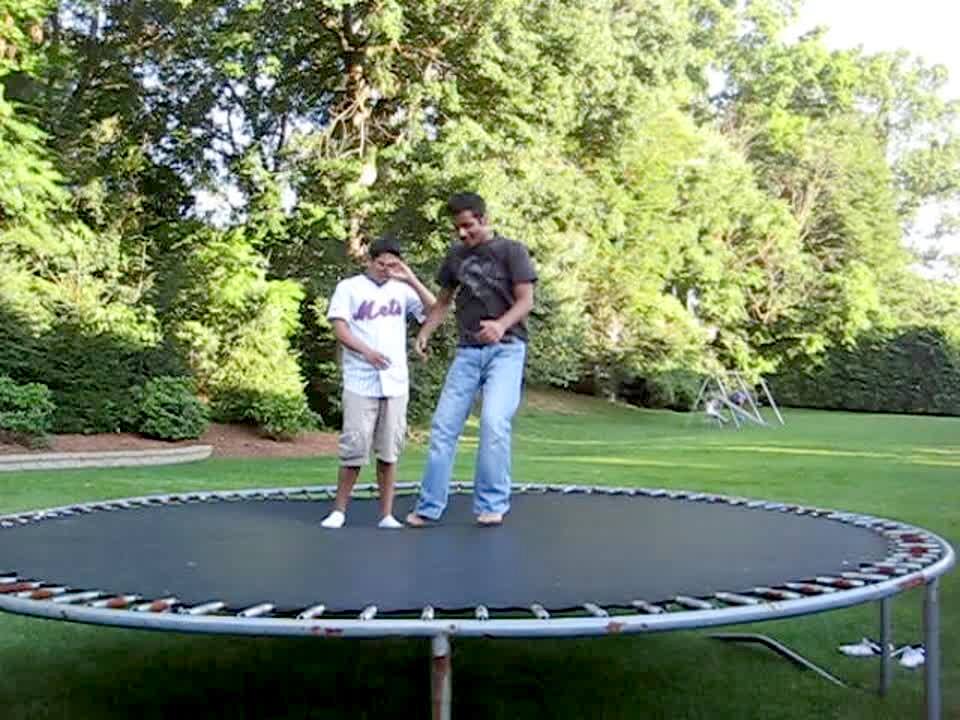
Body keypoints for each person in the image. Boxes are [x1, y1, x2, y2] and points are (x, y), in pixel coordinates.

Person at [406, 192, 537, 528]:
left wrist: (500, 324)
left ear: (484, 219)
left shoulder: (512, 251)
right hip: (467, 352)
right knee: (443, 427)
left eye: (468, 226)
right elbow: (443, 302)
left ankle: (492, 504)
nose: (463, 234)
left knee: (494, 422)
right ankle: (429, 506)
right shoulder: (455, 256)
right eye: (457, 229)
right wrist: (425, 332)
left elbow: (526, 301)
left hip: (507, 349)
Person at [320, 235, 435, 529]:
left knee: (389, 449)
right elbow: (340, 328)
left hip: (395, 381)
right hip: (361, 379)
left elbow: (435, 311)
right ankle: (339, 511)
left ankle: (386, 514)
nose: (386, 269)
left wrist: (410, 277)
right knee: (354, 445)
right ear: (370, 261)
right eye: (381, 264)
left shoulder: (402, 290)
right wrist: (366, 352)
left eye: (392, 265)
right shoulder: (349, 288)